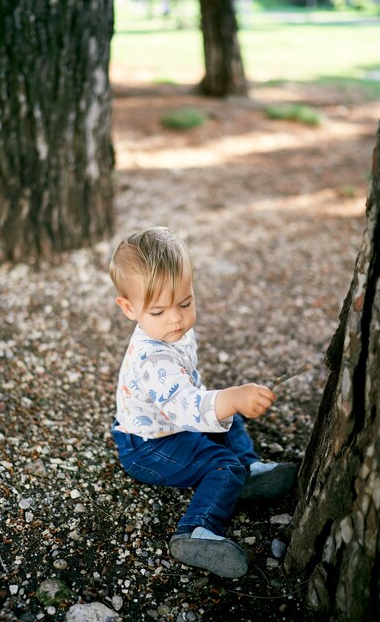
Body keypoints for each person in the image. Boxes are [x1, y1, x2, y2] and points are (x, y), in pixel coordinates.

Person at [109, 227, 297, 578]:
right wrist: (232, 396)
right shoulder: (154, 359)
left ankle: (249, 472)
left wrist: (229, 401)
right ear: (128, 308)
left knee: (231, 417)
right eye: (159, 311)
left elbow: (194, 399)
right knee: (221, 464)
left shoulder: (170, 329)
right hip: (148, 447)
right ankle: (196, 531)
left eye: (185, 303)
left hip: (171, 423)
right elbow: (187, 407)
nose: (176, 318)